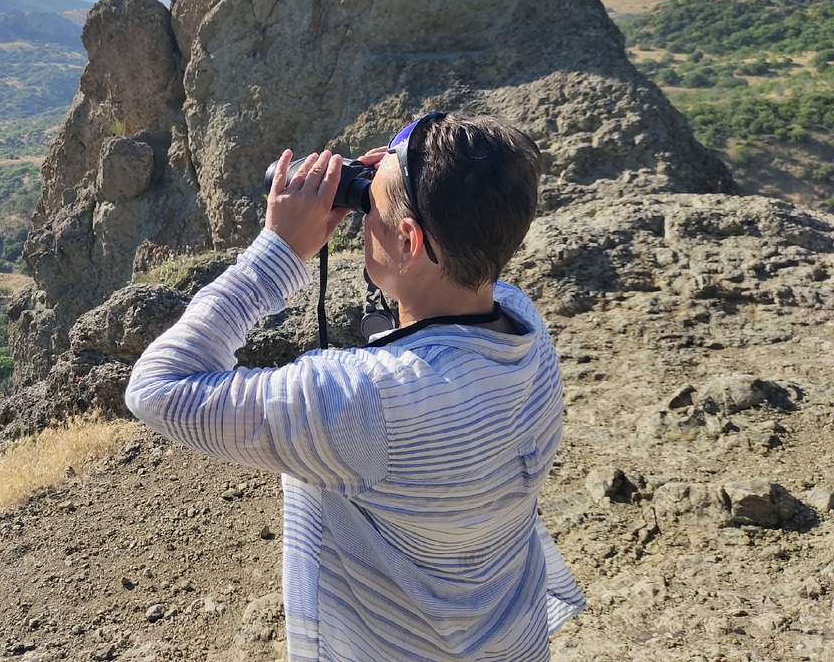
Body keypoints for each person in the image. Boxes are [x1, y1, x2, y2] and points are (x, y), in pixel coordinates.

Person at [125, 112, 585, 661]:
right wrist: (399, 176)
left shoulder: (366, 401)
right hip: (513, 644)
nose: (363, 216)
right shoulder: (523, 325)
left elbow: (157, 387)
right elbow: (458, 236)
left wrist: (278, 254)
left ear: (410, 240)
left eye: (373, 210)